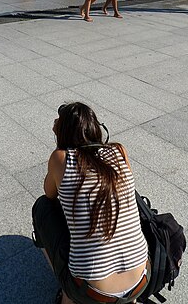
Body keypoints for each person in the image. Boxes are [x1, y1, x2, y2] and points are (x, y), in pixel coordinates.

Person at [32, 102, 150, 304]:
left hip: (92, 294)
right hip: (141, 281)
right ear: (97, 128)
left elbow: (49, 194)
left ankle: (68, 296)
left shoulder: (60, 158)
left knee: (42, 207)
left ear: (61, 131)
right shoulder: (119, 150)